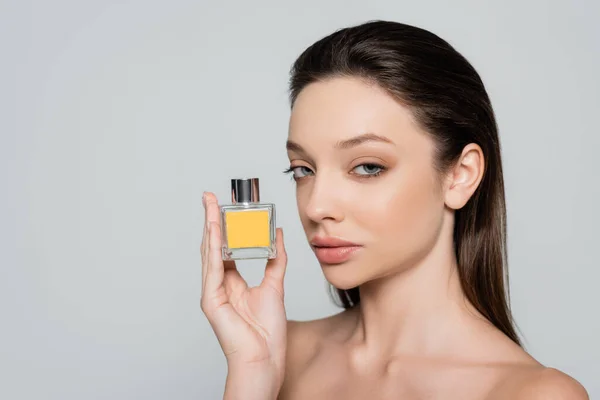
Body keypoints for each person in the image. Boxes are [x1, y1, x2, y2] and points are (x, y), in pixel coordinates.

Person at [200, 20, 589, 399]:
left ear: (460, 176)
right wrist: (251, 373)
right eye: (303, 170)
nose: (317, 206)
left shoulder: (532, 393)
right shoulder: (278, 352)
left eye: (368, 167)